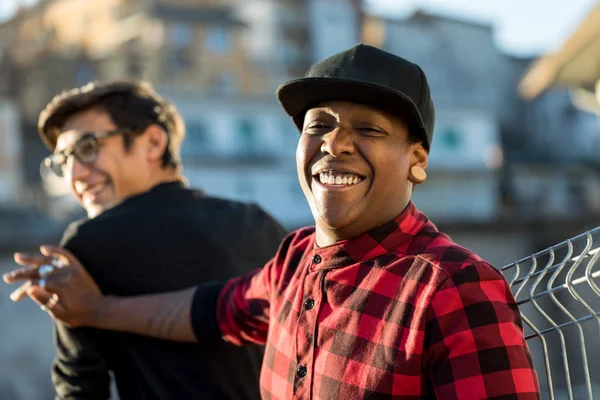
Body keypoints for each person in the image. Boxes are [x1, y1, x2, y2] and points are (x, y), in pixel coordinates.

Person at [5, 45, 541, 399]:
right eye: (319, 125)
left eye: (369, 129)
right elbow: (212, 311)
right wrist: (96, 308)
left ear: (418, 160)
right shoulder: (294, 259)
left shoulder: (454, 287)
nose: (335, 142)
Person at [6, 80, 286, 399]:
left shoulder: (90, 243)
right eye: (62, 161)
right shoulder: (259, 223)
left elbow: (80, 386)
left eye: (87, 149)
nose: (74, 176)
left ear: (153, 142)